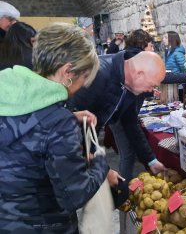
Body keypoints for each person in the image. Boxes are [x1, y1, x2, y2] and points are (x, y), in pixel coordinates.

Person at [0, 23, 119, 233]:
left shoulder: (10, 93)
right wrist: (100, 162)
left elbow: (26, 128)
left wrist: (70, 119)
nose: (83, 85)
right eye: (84, 78)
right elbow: (74, 195)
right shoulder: (58, 122)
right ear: (67, 72)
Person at [67, 51, 168, 184]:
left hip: (86, 144)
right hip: (67, 153)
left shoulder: (131, 86)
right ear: (139, 74)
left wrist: (151, 159)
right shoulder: (97, 75)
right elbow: (69, 122)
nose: (151, 90)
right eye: (152, 85)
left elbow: (131, 123)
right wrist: (98, 167)